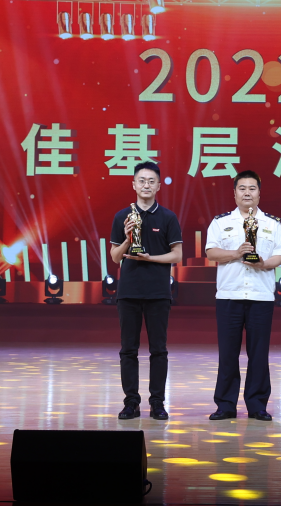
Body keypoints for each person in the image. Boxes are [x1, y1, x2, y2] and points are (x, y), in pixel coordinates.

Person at [205, 170, 281, 421]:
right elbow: (211, 252)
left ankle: (257, 405)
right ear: (234, 193)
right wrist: (236, 253)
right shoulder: (220, 222)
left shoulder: (271, 223)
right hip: (229, 296)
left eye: (252, 188)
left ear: (259, 193)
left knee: (259, 354)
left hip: (261, 296)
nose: (247, 193)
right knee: (228, 353)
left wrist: (263, 264)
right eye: (242, 188)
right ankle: (225, 404)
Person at [109, 161, 183, 420]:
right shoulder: (122, 216)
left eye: (151, 181)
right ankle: (131, 402)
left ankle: (157, 403)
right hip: (128, 292)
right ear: (134, 184)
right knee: (128, 350)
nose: (146, 185)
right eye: (142, 180)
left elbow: (177, 254)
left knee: (158, 350)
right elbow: (115, 257)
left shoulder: (168, 217)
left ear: (159, 186)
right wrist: (128, 239)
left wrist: (150, 258)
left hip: (158, 293)